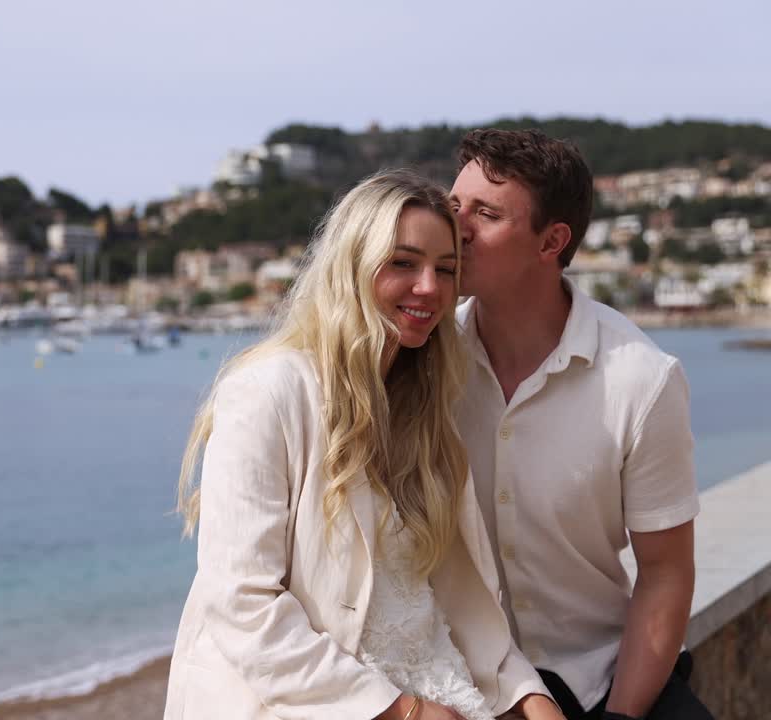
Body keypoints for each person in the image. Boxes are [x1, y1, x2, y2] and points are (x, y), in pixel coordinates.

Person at [163, 170, 563, 720]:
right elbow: (241, 603)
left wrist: (526, 693)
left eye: (446, 270)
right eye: (403, 262)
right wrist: (402, 711)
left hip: (442, 694)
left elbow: (452, 596)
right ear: (351, 264)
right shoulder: (266, 393)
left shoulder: (427, 412)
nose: (430, 287)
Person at [448, 129, 712, 720]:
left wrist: (619, 716)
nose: (457, 229)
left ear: (552, 241)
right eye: (453, 206)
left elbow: (666, 573)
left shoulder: (641, 379)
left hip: (602, 678)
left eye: (486, 214)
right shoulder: (424, 361)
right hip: (459, 680)